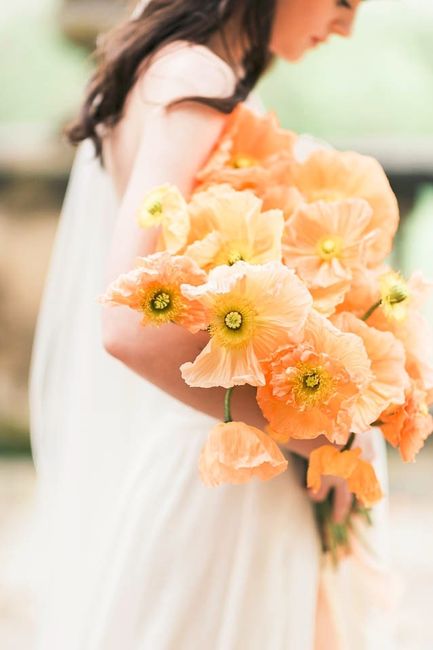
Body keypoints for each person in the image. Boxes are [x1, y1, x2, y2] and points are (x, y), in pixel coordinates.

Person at [29, 0, 396, 648]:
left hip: (214, 456)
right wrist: (312, 434)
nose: (345, 27)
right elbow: (128, 323)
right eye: (342, 2)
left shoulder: (167, 72)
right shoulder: (194, 78)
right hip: (226, 473)